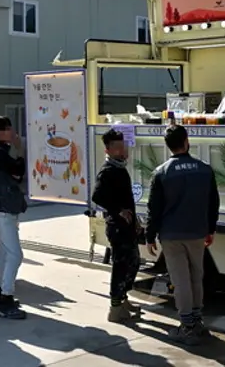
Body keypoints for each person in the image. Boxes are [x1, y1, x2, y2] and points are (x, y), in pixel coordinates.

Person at [146, 125, 220, 345]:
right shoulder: (205, 169)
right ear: (186, 141)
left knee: (181, 280)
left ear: (168, 146)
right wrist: (211, 229)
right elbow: (213, 202)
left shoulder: (161, 172)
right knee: (197, 276)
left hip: (171, 235)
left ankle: (187, 326)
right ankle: (197, 322)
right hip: (197, 232)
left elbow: (154, 208)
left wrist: (150, 236)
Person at [91, 128, 142, 323]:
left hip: (127, 225)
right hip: (117, 226)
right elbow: (97, 196)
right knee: (121, 265)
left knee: (134, 262)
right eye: (118, 147)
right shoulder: (108, 171)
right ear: (108, 150)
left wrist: (135, 220)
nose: (123, 150)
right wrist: (118, 210)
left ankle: (123, 297)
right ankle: (115, 308)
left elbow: (127, 199)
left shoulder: (120, 168)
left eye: (123, 146)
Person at [0, 115, 28, 319]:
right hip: (3, 210)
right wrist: (20, 150)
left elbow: (16, 173)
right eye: (9, 128)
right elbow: (18, 169)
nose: (13, 132)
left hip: (4, 209)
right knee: (15, 255)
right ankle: (5, 299)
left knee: (4, 253)